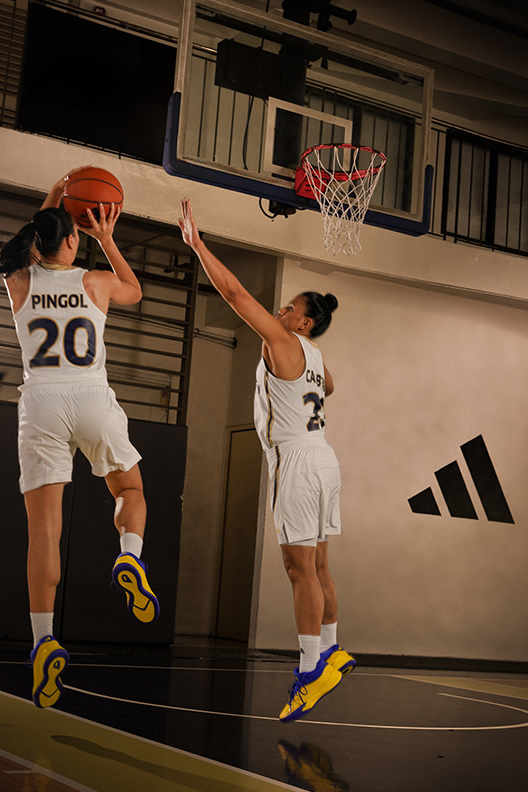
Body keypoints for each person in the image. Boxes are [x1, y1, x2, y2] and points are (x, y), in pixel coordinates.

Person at [0, 169, 159, 708]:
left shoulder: (19, 281)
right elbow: (135, 289)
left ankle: (42, 640)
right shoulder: (95, 280)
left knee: (44, 533)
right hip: (90, 397)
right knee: (130, 493)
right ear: (73, 240)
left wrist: (54, 198)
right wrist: (107, 239)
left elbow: (20, 246)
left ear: (36, 243)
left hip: (39, 402)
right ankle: (129, 555)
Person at [178, 198, 355, 722]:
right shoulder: (317, 357)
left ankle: (307, 673)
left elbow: (233, 293)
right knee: (319, 564)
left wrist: (197, 244)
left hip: (298, 462)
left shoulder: (282, 340)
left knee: (297, 569)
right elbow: (330, 386)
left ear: (304, 323)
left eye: (288, 309)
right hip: (324, 456)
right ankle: (330, 650)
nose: (279, 311)